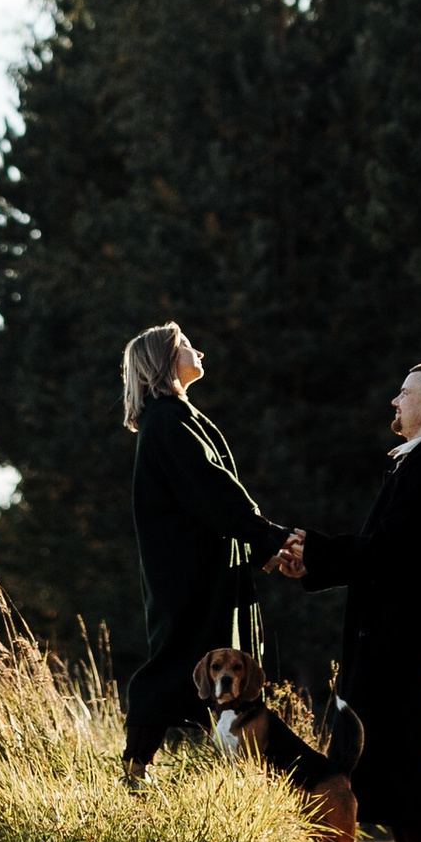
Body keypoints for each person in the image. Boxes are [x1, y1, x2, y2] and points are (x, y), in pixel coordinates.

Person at [273, 360, 421, 842]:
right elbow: (379, 551)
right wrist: (313, 563)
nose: (394, 402)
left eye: (404, 393)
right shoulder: (415, 464)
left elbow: (385, 552)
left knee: (414, 747)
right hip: (394, 634)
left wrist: (313, 549)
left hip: (411, 638)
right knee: (391, 744)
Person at [118, 319, 290, 781]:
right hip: (186, 571)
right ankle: (135, 769)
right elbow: (213, 492)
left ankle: (247, 773)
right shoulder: (166, 420)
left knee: (219, 658)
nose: (199, 352)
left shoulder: (176, 416)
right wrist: (269, 537)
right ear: (164, 360)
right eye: (188, 345)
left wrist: (261, 545)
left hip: (204, 565)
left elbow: (217, 496)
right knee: (178, 659)